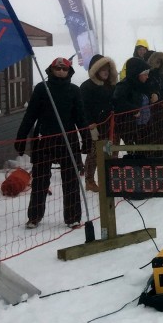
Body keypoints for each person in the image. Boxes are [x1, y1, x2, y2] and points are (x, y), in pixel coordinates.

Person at [15, 57, 88, 229]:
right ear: (51, 70)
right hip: (43, 139)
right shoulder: (42, 89)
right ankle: (34, 216)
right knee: (40, 180)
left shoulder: (74, 90)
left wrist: (87, 139)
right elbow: (30, 115)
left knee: (70, 181)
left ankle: (73, 217)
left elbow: (81, 118)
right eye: (58, 68)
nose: (61, 71)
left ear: (69, 71)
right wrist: (21, 138)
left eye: (64, 69)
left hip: (68, 141)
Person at [79, 54, 117, 192]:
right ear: (95, 71)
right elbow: (83, 108)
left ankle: (108, 178)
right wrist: (89, 124)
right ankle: (89, 180)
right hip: (94, 127)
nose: (106, 72)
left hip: (109, 127)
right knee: (94, 154)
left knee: (109, 152)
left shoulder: (111, 86)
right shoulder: (86, 87)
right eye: (102, 69)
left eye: (107, 69)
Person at [112, 57, 157, 146]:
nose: (147, 77)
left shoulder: (142, 84)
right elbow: (117, 102)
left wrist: (154, 94)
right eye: (145, 74)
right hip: (130, 129)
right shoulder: (123, 86)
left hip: (144, 127)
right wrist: (134, 109)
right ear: (137, 74)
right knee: (135, 156)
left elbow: (151, 91)